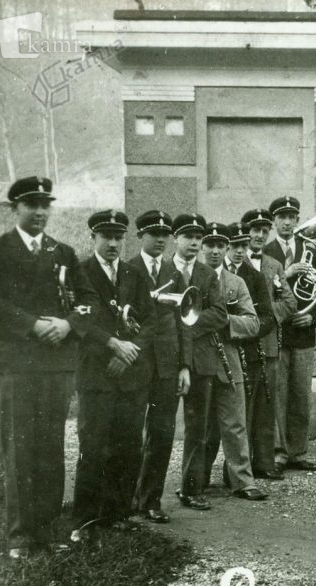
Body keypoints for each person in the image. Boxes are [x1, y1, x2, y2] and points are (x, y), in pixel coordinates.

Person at [0, 176, 96, 559]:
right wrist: (32, 325)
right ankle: (20, 536)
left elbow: (88, 301)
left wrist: (68, 324)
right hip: (16, 364)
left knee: (51, 446)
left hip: (55, 364)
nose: (39, 212)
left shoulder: (63, 252)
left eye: (45, 205)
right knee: (19, 449)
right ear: (14, 208)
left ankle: (48, 531)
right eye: (31, 205)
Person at [71, 210, 155, 541]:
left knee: (129, 446)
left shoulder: (134, 274)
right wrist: (113, 347)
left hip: (130, 375)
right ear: (93, 237)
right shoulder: (80, 272)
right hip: (97, 374)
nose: (113, 243)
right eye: (106, 236)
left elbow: (151, 321)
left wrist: (131, 350)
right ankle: (85, 520)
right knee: (92, 447)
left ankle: (118, 513)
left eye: (119, 237)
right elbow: (79, 321)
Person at [197, 223, 266, 501]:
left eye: (220, 245)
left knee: (235, 423)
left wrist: (224, 320)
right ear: (202, 247)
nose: (215, 251)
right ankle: (195, 481)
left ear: (226, 248)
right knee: (200, 426)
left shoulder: (236, 283)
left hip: (229, 359)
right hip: (199, 358)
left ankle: (242, 481)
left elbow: (253, 323)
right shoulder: (190, 278)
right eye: (209, 245)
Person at [131, 210, 191, 524]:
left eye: (165, 234)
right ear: (140, 235)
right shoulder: (127, 269)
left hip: (167, 366)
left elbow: (184, 323)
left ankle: (151, 500)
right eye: (154, 233)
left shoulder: (173, 272)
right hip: (136, 364)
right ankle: (126, 498)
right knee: (129, 434)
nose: (160, 239)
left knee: (162, 434)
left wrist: (184, 366)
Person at [170, 213, 229, 510]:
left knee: (198, 429)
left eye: (198, 238)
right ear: (175, 238)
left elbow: (220, 314)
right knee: (158, 427)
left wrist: (185, 324)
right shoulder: (162, 270)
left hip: (201, 359)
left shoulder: (208, 274)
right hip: (167, 358)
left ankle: (191, 488)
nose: (194, 242)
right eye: (188, 236)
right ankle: (144, 494)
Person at [263, 195, 316, 472]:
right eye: (281, 217)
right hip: (277, 333)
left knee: (301, 395)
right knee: (278, 394)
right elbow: (262, 290)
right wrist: (287, 273)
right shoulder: (266, 251)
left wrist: (313, 315)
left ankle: (298, 452)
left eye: (291, 217)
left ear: (297, 220)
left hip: (303, 331)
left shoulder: (312, 249)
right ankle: (279, 452)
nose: (287, 222)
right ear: (274, 222)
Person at [243, 208, 297, 478]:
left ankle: (264, 464)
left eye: (265, 231)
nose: (260, 236)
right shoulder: (233, 261)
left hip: (268, 344)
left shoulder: (274, 265)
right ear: (245, 232)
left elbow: (289, 302)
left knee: (266, 407)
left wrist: (262, 317)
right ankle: (239, 468)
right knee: (242, 410)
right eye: (255, 230)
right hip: (240, 346)